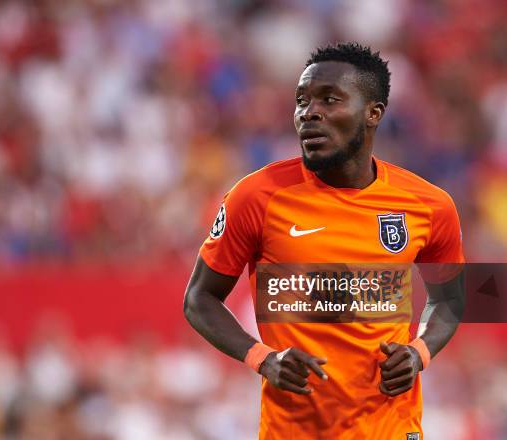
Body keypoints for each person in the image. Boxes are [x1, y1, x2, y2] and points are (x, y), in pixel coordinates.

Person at [183, 42, 465, 439]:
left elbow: (451, 299)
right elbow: (198, 298)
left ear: (373, 114)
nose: (308, 112)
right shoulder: (256, 196)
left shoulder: (430, 204)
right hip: (293, 431)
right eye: (301, 100)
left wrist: (419, 352)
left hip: (392, 428)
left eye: (329, 100)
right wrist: (263, 359)